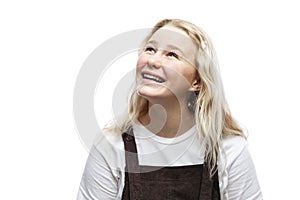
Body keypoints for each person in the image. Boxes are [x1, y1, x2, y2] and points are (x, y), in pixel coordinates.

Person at [77, 19, 263, 200]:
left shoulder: (228, 148)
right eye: (150, 49)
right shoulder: (111, 146)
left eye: (172, 54)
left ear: (196, 81)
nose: (153, 61)